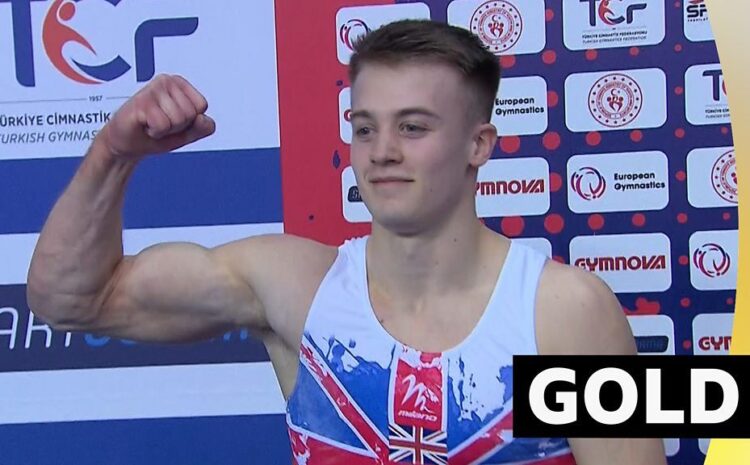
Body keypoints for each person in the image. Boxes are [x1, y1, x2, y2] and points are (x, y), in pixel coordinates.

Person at [27, 19, 666, 465]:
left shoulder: (559, 311)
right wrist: (113, 154)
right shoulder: (297, 290)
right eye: (365, 127)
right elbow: (71, 301)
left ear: (478, 145)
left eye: (413, 127)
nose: (382, 153)